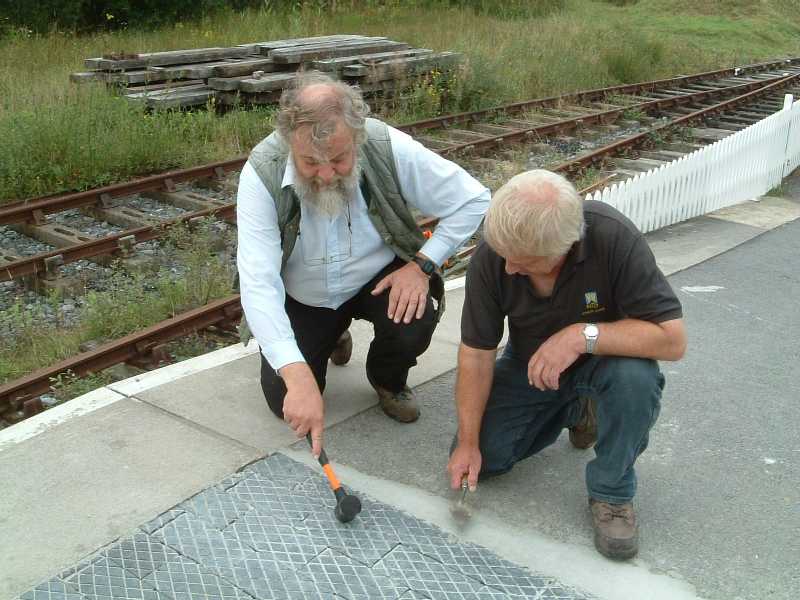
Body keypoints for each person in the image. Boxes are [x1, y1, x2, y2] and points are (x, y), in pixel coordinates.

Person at [236, 71, 490, 459]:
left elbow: (473, 199)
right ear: (289, 143)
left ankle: (387, 379)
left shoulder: (386, 145)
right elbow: (258, 282)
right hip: (305, 297)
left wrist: (422, 264)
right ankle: (332, 333)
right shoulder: (261, 173)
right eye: (309, 162)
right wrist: (294, 371)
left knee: (415, 314)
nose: (324, 174)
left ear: (357, 136)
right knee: (282, 400)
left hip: (378, 279)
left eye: (338, 159)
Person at [447, 169, 686, 560]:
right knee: (484, 457)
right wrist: (469, 443)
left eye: (522, 261)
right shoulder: (496, 255)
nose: (508, 269)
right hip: (531, 366)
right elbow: (476, 353)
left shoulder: (613, 238)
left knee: (635, 380)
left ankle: (611, 493)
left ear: (563, 248)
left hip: (607, 362)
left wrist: (581, 336)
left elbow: (672, 340)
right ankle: (575, 408)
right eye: (504, 256)